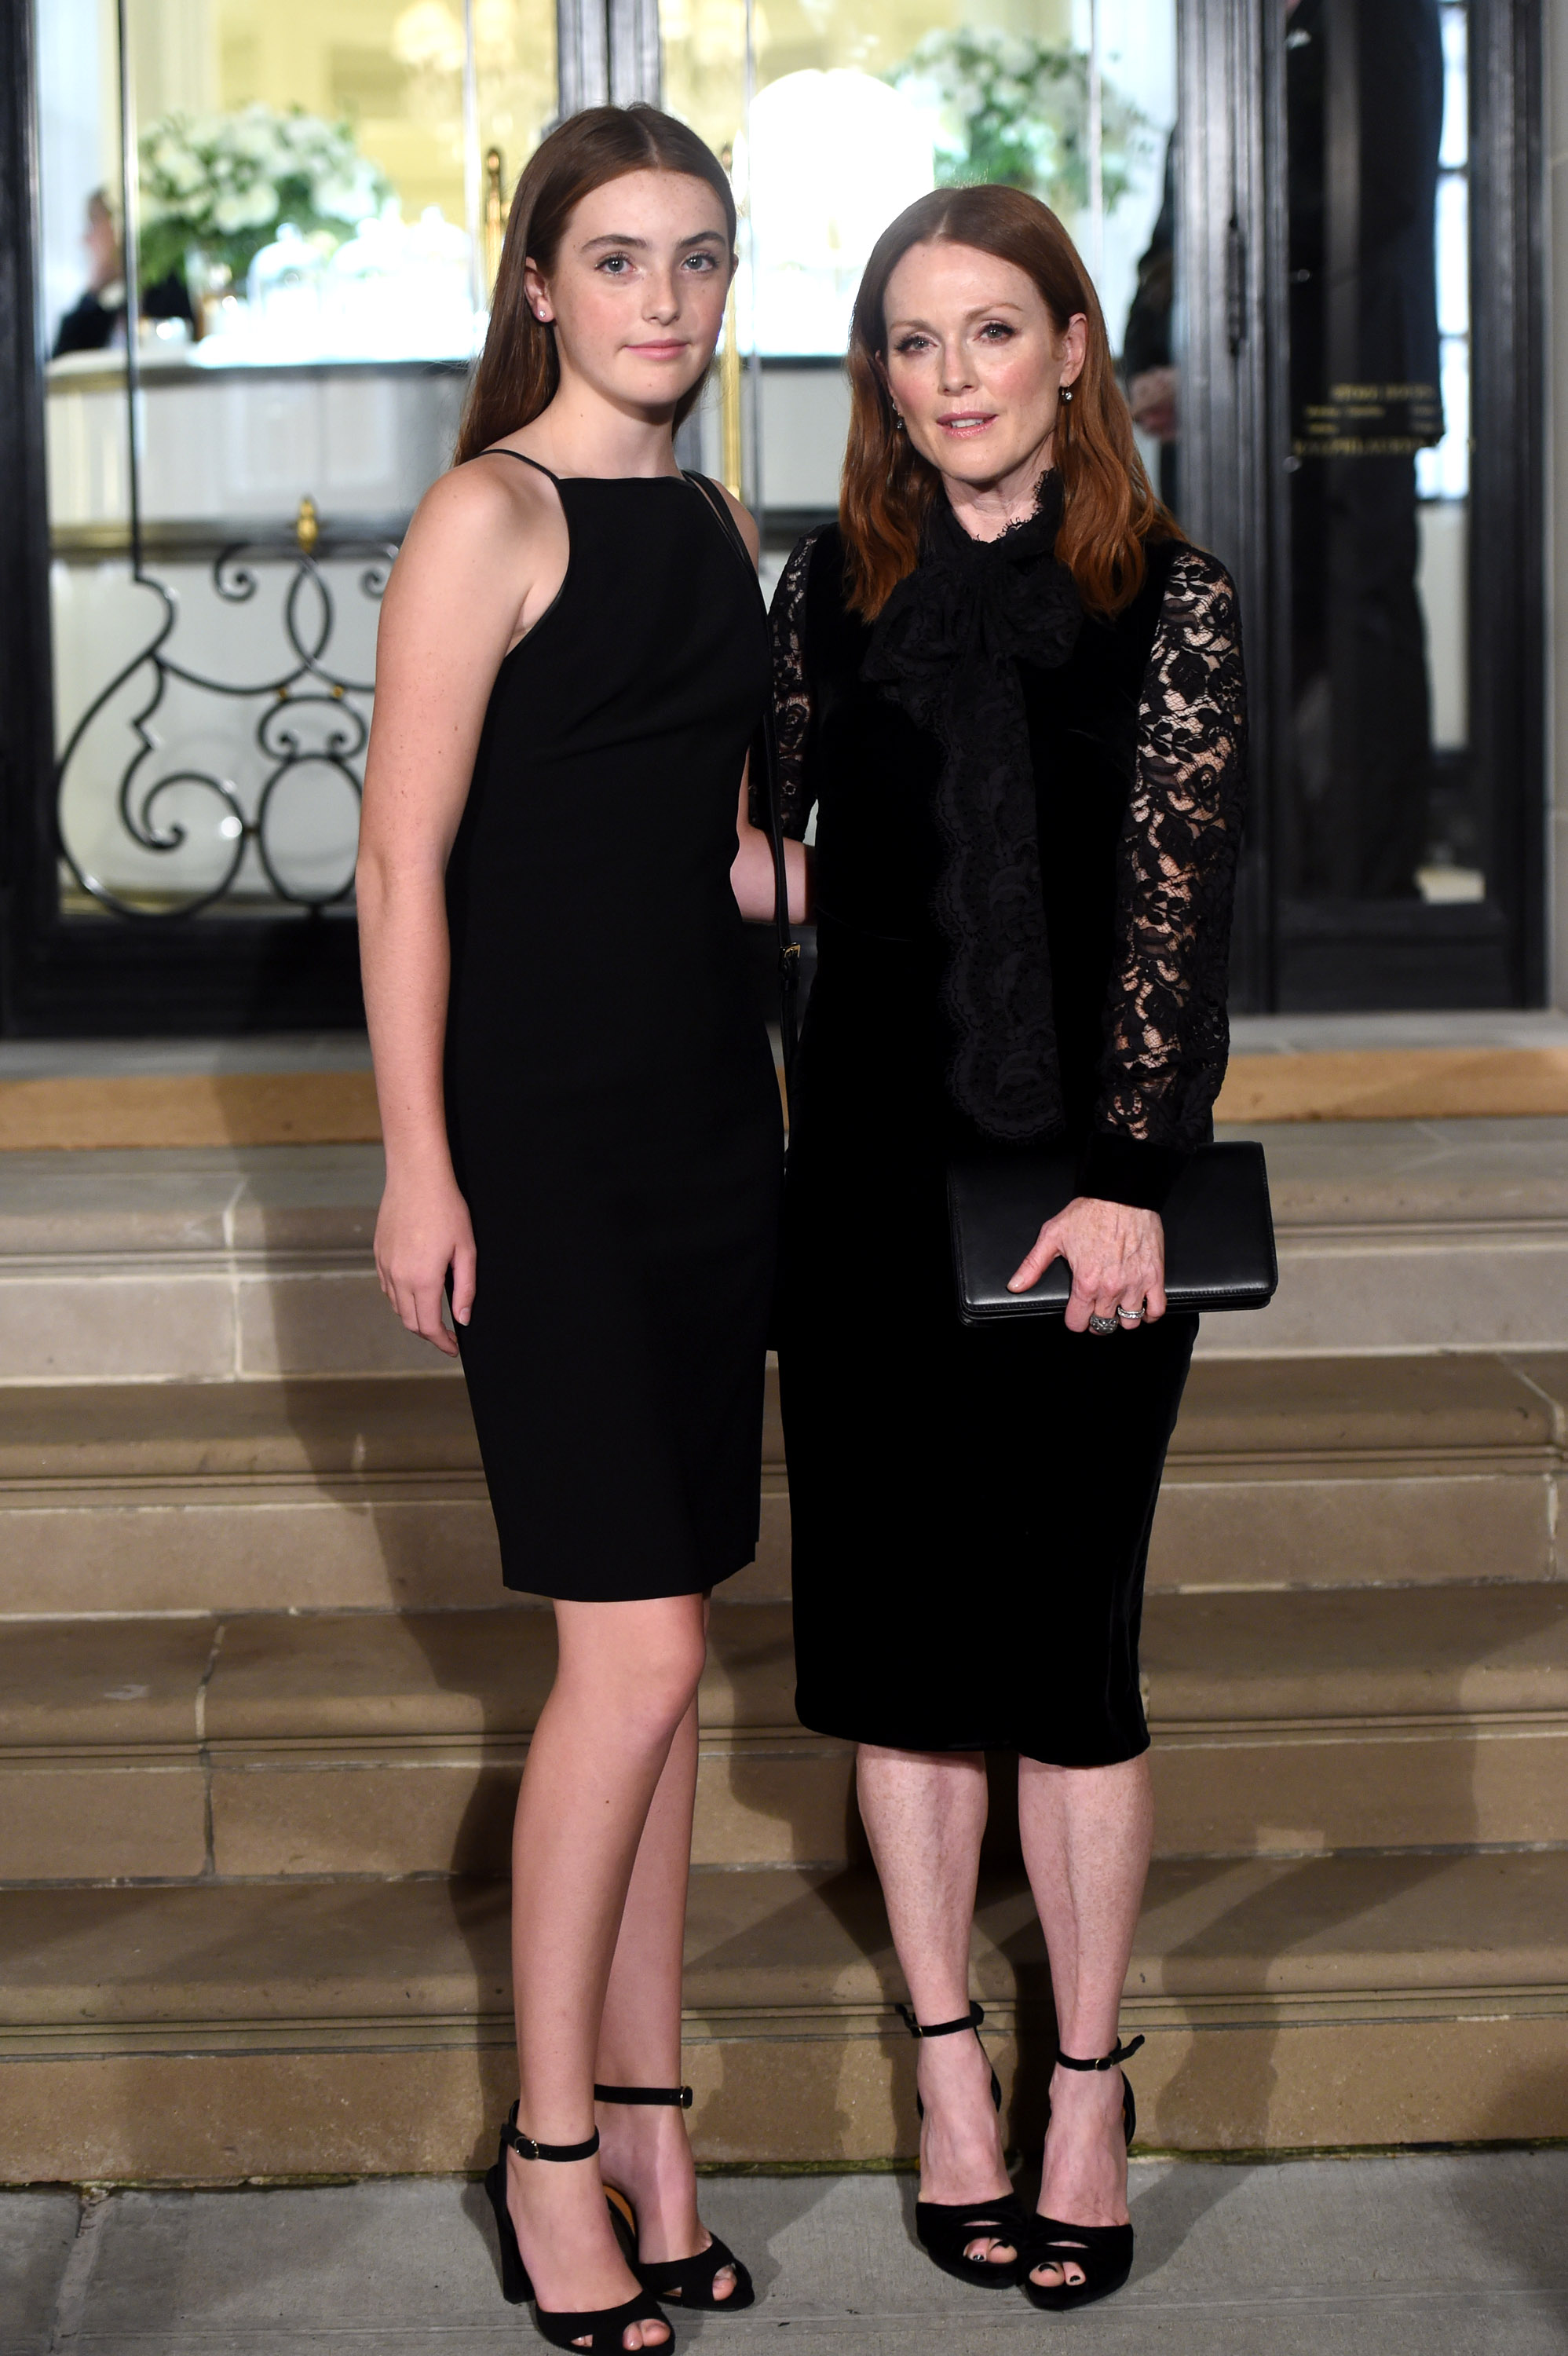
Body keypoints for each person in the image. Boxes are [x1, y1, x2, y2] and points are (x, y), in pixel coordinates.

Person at [762, 185, 1245, 2312]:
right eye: (910, 340)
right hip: (862, 1203)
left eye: (987, 331)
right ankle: (950, 2068)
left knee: (1066, 1663)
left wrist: (1132, 1170)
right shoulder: (827, 587)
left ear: (1071, 348)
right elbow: (780, 868)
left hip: (1083, 1206)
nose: (949, 375)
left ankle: (1084, 2084)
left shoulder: (1176, 599)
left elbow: (1174, 912)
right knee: (895, 1656)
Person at [357, 104, 804, 2354]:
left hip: (713, 1132)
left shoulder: (718, 522)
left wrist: (964, 878)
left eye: (699, 259)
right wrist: (418, 1163)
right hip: (541, 1150)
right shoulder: (489, 516)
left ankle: (648, 2120)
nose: (664, 298)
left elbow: (718, 858)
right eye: (619, 258)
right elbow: (401, 868)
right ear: (539, 280)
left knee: (674, 1667)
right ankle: (552, 2154)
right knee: (628, 1661)